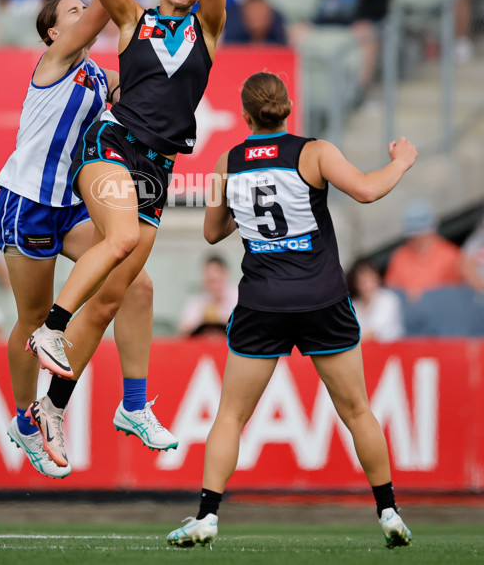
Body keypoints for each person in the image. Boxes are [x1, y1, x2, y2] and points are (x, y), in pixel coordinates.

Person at [25, 0, 226, 469]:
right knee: (123, 238)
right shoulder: (133, 21)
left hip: (157, 168)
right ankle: (51, 326)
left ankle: (92, 406)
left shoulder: (208, 30)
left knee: (119, 296)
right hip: (111, 143)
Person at [166, 72, 416, 549]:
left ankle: (206, 516)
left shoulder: (228, 162)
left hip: (262, 301)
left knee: (230, 417)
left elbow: (212, 233)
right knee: (358, 411)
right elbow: (366, 190)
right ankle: (387, 510)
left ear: (245, 115)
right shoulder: (314, 152)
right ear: (288, 106)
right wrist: (401, 163)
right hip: (322, 297)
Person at [0, 0, 177, 480]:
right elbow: (106, 3)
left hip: (71, 205)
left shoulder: (101, 77)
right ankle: (26, 419)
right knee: (32, 316)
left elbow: (147, 84)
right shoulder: (54, 59)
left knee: (136, 284)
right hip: (28, 201)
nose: (84, 11)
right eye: (72, 11)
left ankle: (136, 403)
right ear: (54, 31)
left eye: (83, 7)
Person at [384, 200, 463, 301]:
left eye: (418, 235)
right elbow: (391, 295)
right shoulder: (400, 257)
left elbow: (458, 295)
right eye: (412, 236)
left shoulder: (450, 256)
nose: (415, 240)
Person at [346, 258, 404, 342]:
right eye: (362, 280)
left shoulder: (388, 299)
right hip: (365, 350)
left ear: (377, 278)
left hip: (391, 350)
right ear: (355, 283)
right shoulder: (354, 304)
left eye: (370, 278)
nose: (367, 284)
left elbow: (372, 333)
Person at [179, 256, 238, 337]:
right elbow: (184, 330)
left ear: (225, 274)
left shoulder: (240, 298)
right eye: (209, 281)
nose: (213, 286)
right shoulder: (198, 300)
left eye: (215, 280)